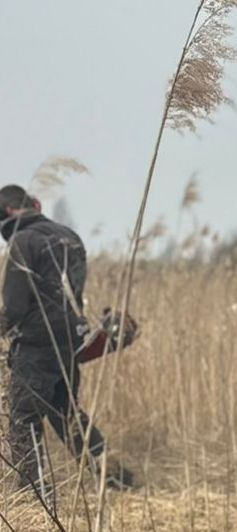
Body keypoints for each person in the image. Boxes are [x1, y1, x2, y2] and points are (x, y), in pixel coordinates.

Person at [1, 183, 134, 496]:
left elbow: (16, 308)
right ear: (33, 204)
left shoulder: (23, 242)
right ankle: (114, 478)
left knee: (24, 418)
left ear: (7, 212)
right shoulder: (70, 237)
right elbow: (70, 297)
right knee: (67, 414)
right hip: (71, 343)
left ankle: (35, 495)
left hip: (35, 346)